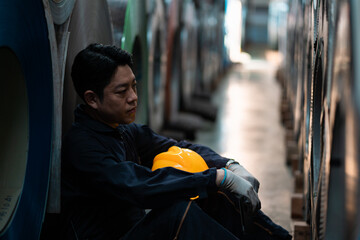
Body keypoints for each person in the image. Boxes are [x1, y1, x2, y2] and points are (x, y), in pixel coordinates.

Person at [59, 43, 292, 240]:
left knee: (215, 192)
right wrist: (215, 178)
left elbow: (177, 147)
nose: (133, 97)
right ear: (92, 99)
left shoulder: (121, 130)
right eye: (122, 92)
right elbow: (137, 186)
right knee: (178, 212)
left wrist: (228, 166)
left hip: (134, 231)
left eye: (134, 86)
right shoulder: (83, 146)